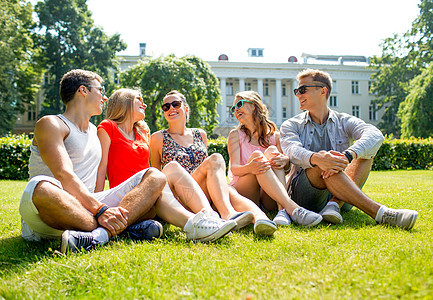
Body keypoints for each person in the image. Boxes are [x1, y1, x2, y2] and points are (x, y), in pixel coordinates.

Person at [19, 70, 236, 254]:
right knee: (41, 187)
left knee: (155, 177)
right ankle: (126, 227)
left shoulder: (95, 131)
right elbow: (64, 175)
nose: (105, 98)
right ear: (83, 90)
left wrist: (103, 207)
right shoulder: (51, 124)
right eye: (100, 91)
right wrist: (102, 210)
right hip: (54, 211)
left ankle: (101, 236)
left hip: (88, 208)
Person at [280, 68, 418, 229]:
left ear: (323, 91)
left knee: (367, 153)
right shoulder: (291, 125)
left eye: (303, 89)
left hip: (342, 192)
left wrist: (348, 156)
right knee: (324, 162)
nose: (298, 95)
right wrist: (318, 159)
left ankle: (334, 205)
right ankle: (381, 213)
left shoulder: (343, 120)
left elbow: (375, 135)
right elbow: (291, 150)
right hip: (305, 195)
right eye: (297, 90)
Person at [95, 88, 236, 236]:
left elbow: (149, 169)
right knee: (168, 170)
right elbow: (101, 167)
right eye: (139, 100)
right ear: (125, 101)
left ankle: (209, 218)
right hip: (128, 196)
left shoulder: (142, 131)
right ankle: (198, 224)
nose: (145, 105)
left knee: (172, 168)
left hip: (150, 192)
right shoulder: (108, 127)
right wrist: (99, 208)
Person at [150, 90, 277, 235]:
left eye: (175, 104)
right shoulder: (158, 138)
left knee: (229, 189)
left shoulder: (200, 134)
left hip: (202, 191)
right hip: (179, 193)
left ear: (185, 108)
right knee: (214, 159)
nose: (171, 108)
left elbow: (207, 169)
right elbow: (157, 176)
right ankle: (227, 214)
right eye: (166, 107)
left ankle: (261, 219)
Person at [227, 91, 322, 227]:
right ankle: (292, 209)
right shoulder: (236, 135)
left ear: (254, 105)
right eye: (233, 108)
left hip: (270, 196)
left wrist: (285, 161)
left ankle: (281, 210)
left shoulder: (275, 136)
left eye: (239, 104)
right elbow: (234, 169)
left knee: (272, 152)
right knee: (258, 156)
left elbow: (286, 170)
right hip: (246, 191)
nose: (236, 109)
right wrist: (250, 168)